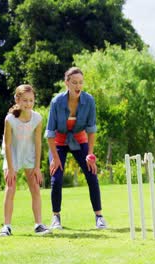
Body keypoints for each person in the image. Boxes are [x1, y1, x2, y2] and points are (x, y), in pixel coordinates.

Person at [45, 67, 107, 230]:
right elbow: (50, 132)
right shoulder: (56, 102)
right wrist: (55, 158)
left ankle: (99, 217)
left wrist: (90, 155)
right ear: (67, 83)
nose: (78, 86)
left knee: (92, 174)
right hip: (58, 141)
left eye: (80, 82)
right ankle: (55, 217)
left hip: (79, 140)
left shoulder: (89, 101)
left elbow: (91, 130)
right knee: (56, 177)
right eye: (74, 83)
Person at [0, 84, 51, 237]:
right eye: (25, 100)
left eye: (31, 100)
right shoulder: (10, 119)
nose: (28, 104)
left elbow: (38, 143)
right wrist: (10, 167)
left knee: (35, 188)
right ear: (17, 100)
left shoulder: (37, 118)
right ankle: (6, 227)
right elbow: (8, 144)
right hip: (12, 155)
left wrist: (37, 167)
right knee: (10, 188)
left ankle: (39, 225)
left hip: (29, 155)